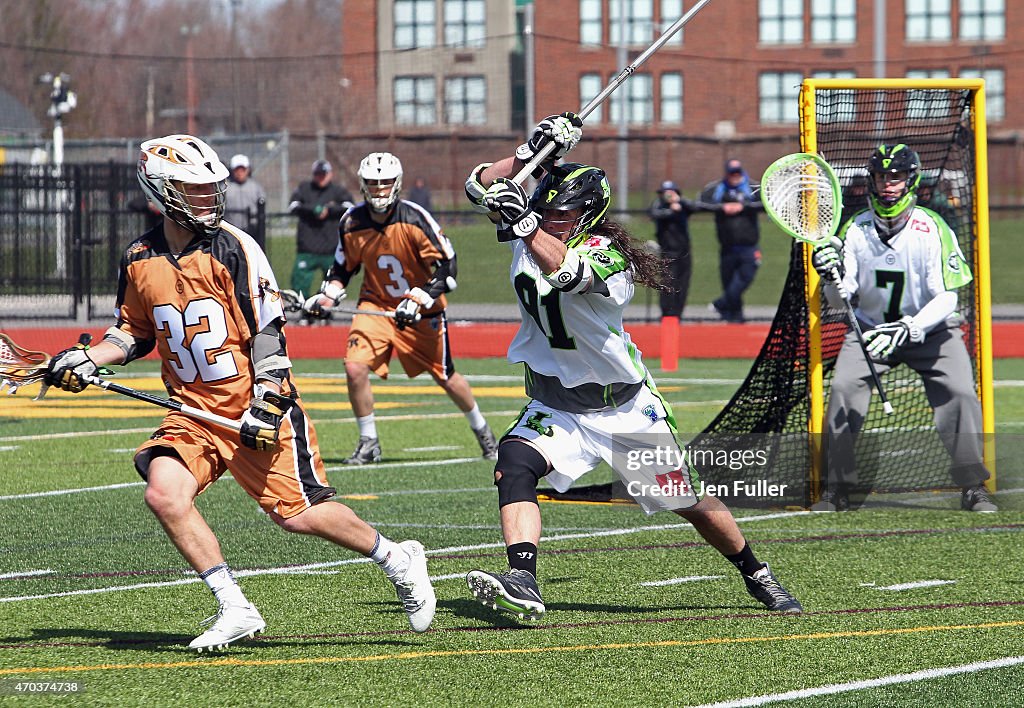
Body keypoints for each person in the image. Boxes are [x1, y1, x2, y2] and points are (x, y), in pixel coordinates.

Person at [43, 134, 436, 651]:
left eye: (211, 188)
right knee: (163, 491)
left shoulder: (234, 247)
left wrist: (268, 401)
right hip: (190, 410)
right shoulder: (139, 257)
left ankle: (397, 558)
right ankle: (234, 606)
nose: (210, 198)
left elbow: (268, 332)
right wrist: (88, 359)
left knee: (299, 516)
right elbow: (132, 333)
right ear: (161, 191)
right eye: (194, 189)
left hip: (251, 404)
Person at [460, 113, 802, 620]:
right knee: (513, 466)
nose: (546, 217)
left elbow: (567, 272)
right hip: (556, 402)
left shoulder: (608, 257)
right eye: (543, 209)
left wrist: (526, 221)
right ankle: (524, 580)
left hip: (618, 408)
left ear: (584, 217)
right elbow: (478, 185)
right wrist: (533, 152)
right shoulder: (529, 228)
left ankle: (756, 571)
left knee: (683, 500)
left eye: (558, 214)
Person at [810, 143, 996, 513]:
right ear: (872, 181)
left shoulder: (933, 228)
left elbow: (948, 298)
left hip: (932, 331)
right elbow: (838, 300)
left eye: (895, 176)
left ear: (910, 180)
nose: (888, 184)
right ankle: (837, 487)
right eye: (882, 176)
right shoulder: (856, 230)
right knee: (844, 389)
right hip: (871, 332)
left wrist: (910, 327)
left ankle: (973, 485)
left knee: (959, 392)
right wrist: (830, 277)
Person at [302, 151, 499, 465]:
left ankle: (483, 431)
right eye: (373, 183)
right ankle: (369, 442)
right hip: (376, 306)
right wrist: (327, 296)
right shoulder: (352, 221)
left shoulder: (414, 218)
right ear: (363, 185)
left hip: (422, 311)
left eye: (385, 182)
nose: (379, 189)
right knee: (354, 368)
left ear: (397, 183)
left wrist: (419, 297)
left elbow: (448, 266)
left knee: (446, 377)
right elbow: (342, 269)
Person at [701, 159, 764, 323]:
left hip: (749, 247)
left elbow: (766, 204)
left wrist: (744, 206)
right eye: (732, 173)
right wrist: (722, 207)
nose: (735, 177)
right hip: (727, 247)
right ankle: (734, 317)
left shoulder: (752, 188)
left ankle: (721, 303)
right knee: (729, 282)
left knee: (743, 279)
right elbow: (700, 203)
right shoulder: (717, 189)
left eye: (737, 173)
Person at [288, 159, 355, 313]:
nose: (321, 177)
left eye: (324, 174)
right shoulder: (305, 189)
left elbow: (349, 206)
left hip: (330, 246)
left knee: (331, 284)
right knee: (300, 282)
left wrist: (329, 210)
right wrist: (313, 210)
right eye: (318, 174)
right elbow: (293, 206)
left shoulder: (338, 191)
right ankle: (304, 311)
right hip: (307, 246)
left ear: (330, 174)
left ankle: (325, 311)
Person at [648, 180, 698, 319]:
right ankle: (667, 313)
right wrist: (671, 210)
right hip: (668, 251)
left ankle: (678, 313)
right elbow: (654, 213)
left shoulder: (682, 205)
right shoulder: (659, 205)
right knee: (668, 283)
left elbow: (695, 207)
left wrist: (679, 202)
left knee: (683, 283)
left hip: (684, 251)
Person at [224, 153, 266, 234]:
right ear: (232, 170)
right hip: (231, 231)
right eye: (237, 169)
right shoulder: (225, 188)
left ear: (248, 170)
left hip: (252, 230)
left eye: (243, 169)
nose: (240, 172)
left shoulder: (256, 187)